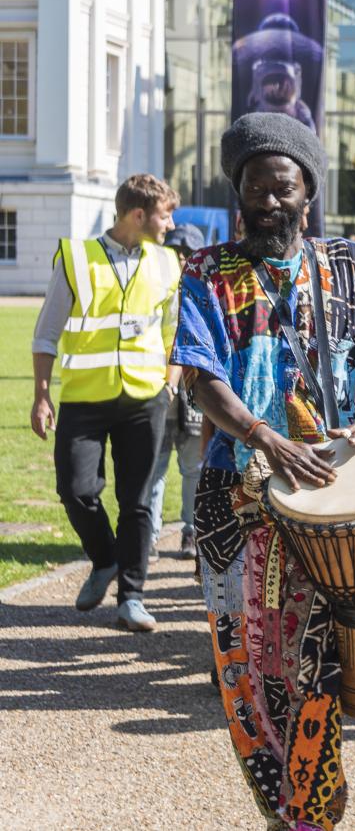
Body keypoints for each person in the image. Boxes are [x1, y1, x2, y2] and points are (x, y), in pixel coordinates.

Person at [174, 112, 355, 828]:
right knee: (248, 668)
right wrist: (264, 437)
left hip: (335, 493)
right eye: (255, 187)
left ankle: (312, 811)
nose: (268, 201)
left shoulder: (348, 263)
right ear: (239, 193)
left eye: (282, 187)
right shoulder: (207, 271)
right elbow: (200, 375)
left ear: (307, 193)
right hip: (236, 498)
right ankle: (283, 809)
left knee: (316, 658)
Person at [30, 173, 180, 631]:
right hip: (84, 398)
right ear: (138, 215)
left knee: (137, 501)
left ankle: (131, 598)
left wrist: (170, 384)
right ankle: (105, 558)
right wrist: (40, 395)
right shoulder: (76, 259)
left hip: (145, 398)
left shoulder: (169, 263)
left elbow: (177, 332)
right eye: (165, 214)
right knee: (75, 491)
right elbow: (46, 332)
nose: (170, 224)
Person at [145, 222, 208, 560]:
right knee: (154, 470)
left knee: (191, 470)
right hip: (159, 393)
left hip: (194, 397)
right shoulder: (154, 288)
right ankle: (149, 536)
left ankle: (191, 531)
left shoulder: (203, 291)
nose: (180, 258)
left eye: (186, 253)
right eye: (174, 251)